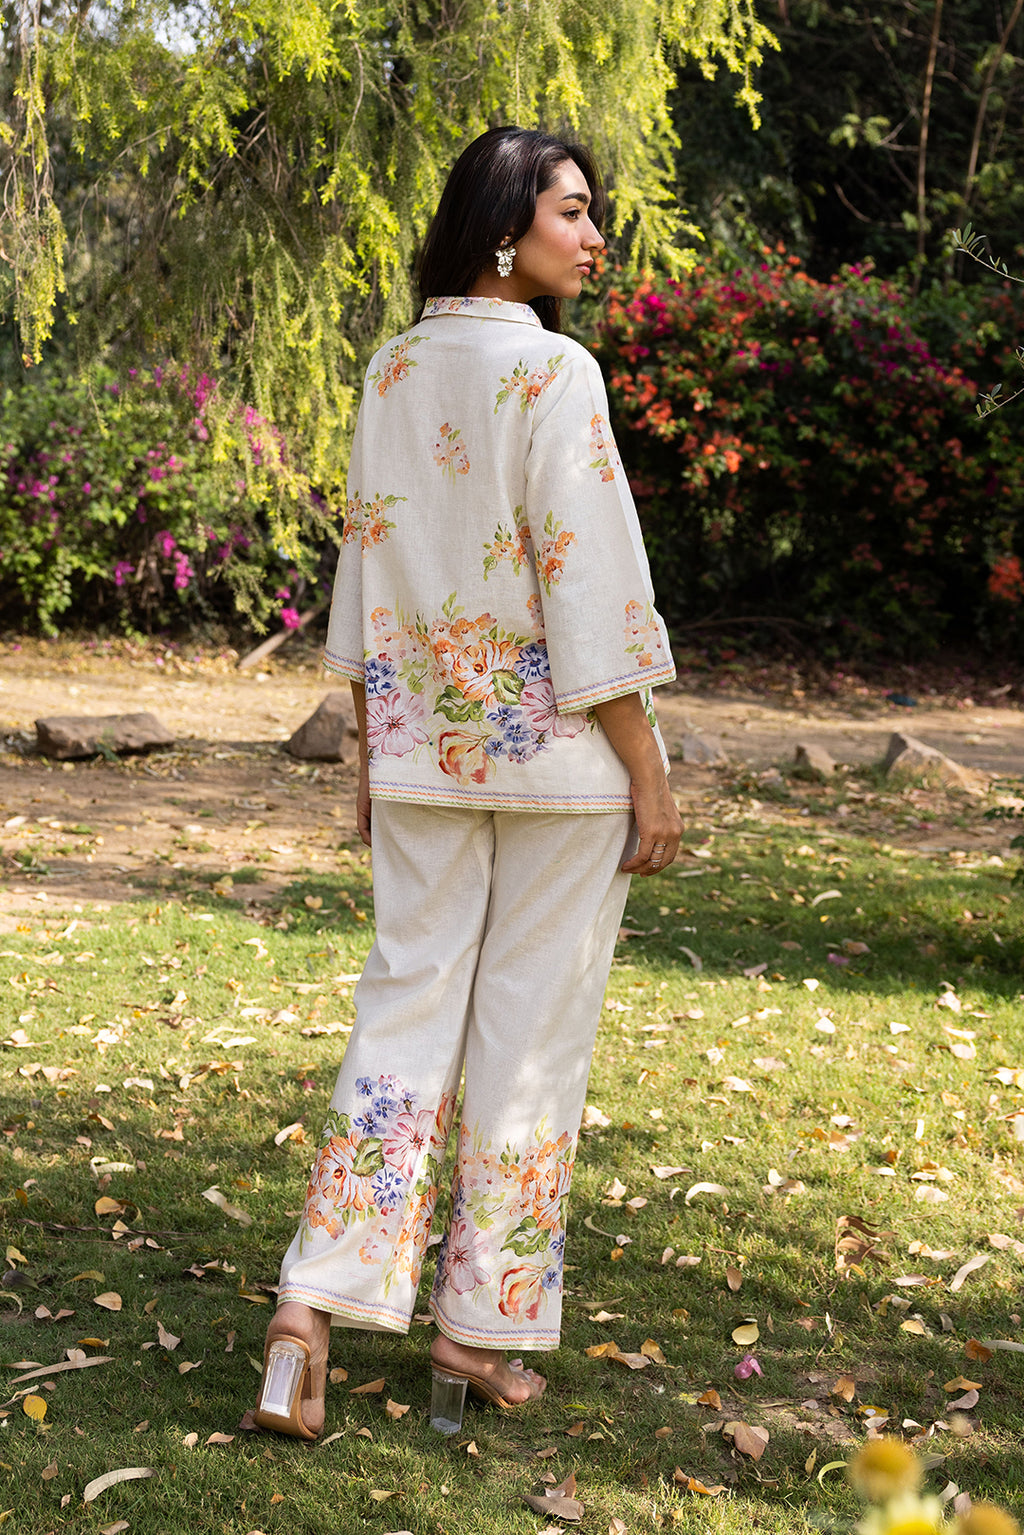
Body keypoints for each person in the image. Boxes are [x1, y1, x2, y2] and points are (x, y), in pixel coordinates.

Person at [253, 124, 681, 1441]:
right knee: (530, 1038)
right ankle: (477, 1330)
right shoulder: (554, 372)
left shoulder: (391, 370)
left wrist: (375, 745)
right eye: (572, 211)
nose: (595, 236)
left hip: (424, 755)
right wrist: (650, 771)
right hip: (560, 765)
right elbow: (588, 582)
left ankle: (307, 1315)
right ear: (506, 229)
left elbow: (370, 571)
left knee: (403, 1008)